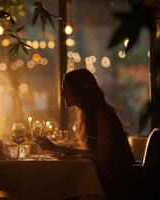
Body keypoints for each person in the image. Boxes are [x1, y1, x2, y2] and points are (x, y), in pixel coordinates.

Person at [37, 68, 135, 199]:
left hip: (119, 180)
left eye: (65, 89)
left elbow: (102, 156)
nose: (61, 94)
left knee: (64, 186)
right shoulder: (87, 114)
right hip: (106, 175)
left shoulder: (101, 114)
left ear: (78, 90)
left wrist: (62, 149)